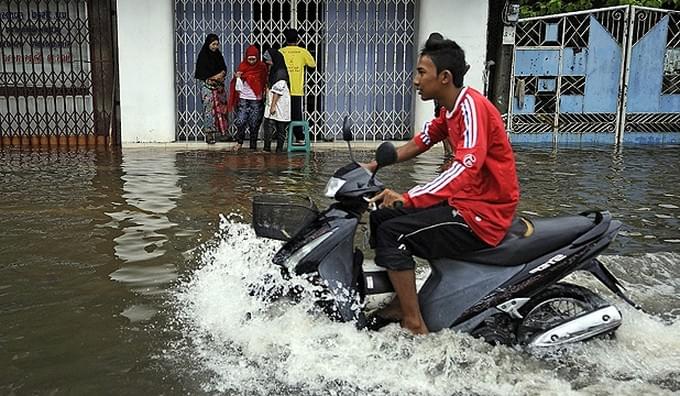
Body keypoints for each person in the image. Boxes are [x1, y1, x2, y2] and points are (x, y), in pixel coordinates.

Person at [363, 36, 520, 335]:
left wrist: (407, 198)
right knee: (380, 215)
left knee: (393, 231)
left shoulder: (472, 107)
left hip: (481, 215)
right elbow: (425, 139)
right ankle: (402, 299)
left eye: (422, 72)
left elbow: (464, 168)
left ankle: (413, 320)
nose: (415, 80)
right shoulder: (449, 109)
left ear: (444, 77)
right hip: (464, 202)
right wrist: (375, 164)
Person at [280, 28, 316, 144]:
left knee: (281, 115)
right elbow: (312, 64)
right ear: (298, 39)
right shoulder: (303, 52)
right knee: (296, 115)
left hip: (282, 88)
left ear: (285, 39)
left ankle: (280, 136)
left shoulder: (281, 51)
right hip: (296, 89)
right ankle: (299, 137)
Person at [229, 45, 268, 150]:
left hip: (256, 99)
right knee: (240, 121)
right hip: (243, 98)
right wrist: (237, 77)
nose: (251, 61)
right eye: (249, 59)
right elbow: (237, 83)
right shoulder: (242, 66)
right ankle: (239, 141)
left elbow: (265, 81)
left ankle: (253, 146)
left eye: (253, 59)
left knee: (254, 124)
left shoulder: (262, 67)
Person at [194, 33, 228, 144]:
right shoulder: (203, 56)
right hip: (207, 87)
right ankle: (209, 135)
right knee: (209, 110)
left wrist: (221, 74)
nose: (215, 47)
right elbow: (202, 73)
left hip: (219, 87)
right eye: (213, 44)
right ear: (208, 44)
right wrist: (215, 77)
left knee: (221, 109)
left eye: (217, 44)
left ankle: (224, 133)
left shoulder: (218, 55)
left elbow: (224, 68)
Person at [262, 48, 291, 152]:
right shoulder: (275, 70)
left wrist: (273, 105)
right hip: (275, 101)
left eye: (268, 59)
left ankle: (277, 149)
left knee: (278, 125)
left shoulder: (280, 72)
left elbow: (278, 91)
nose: (267, 62)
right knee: (273, 124)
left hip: (279, 102)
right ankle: (269, 148)